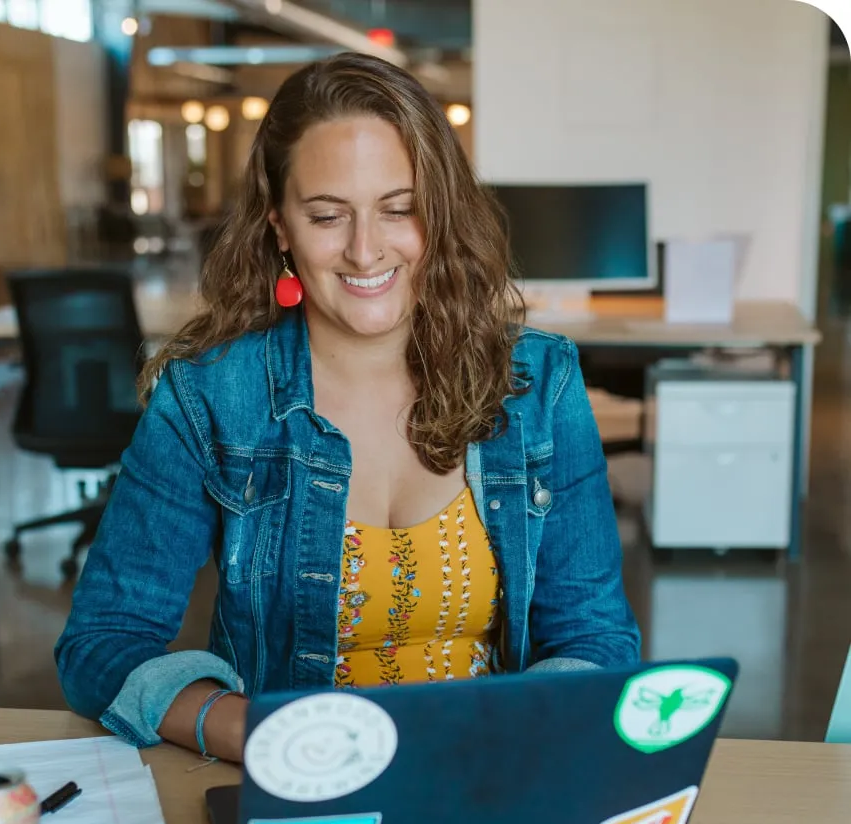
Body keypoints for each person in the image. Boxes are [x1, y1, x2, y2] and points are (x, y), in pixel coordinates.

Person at [54, 52, 641, 764]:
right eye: (328, 215)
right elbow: (102, 641)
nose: (366, 251)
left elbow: (594, 636)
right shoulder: (209, 397)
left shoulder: (537, 382)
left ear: (440, 214)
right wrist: (247, 730)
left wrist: (524, 729)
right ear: (280, 228)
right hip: (299, 792)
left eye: (400, 209)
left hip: (487, 772)